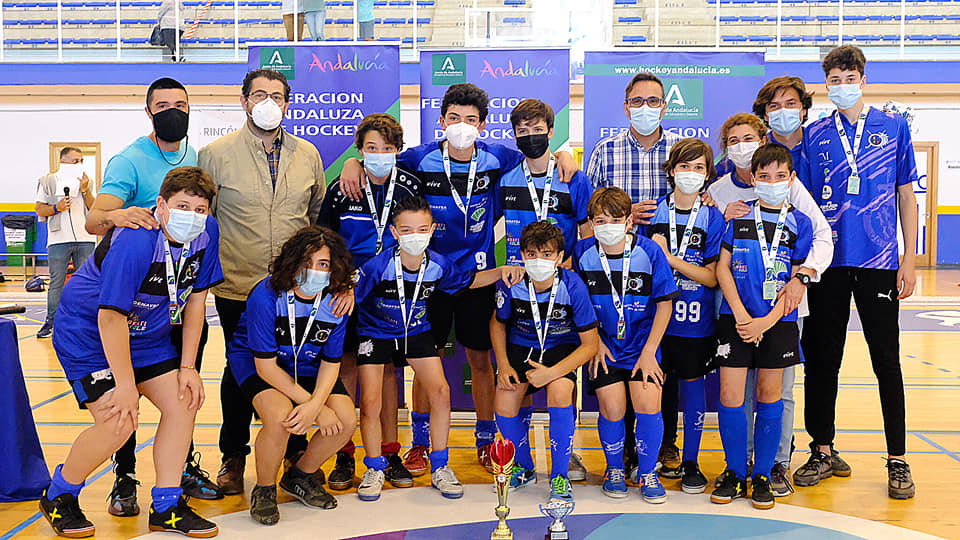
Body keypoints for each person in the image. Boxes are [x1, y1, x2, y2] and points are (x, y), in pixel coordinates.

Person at [337, 83, 579, 475]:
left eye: (470, 120)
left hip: (478, 277)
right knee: (424, 361)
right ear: (441, 121)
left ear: (482, 125)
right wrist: (353, 163)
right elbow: (380, 158)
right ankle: (419, 444)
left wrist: (565, 154)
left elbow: (539, 155)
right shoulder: (420, 158)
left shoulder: (498, 158)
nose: (461, 126)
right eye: (454, 119)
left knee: (480, 361)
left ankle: (486, 440)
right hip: (423, 276)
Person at [42, 167, 221, 538]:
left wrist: (187, 366)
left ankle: (167, 506)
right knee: (119, 422)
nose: (193, 215)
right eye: (182, 206)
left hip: (148, 337)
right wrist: (126, 385)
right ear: (161, 205)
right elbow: (110, 318)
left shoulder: (208, 234)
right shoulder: (138, 240)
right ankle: (59, 494)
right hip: (89, 335)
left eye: (200, 209)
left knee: (185, 400)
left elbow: (196, 302)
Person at [84, 77, 221, 514]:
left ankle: (178, 471)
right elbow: (94, 218)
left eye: (180, 104)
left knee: (184, 390)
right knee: (127, 397)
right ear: (149, 111)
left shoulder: (193, 156)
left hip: (178, 296)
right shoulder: (130, 160)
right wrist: (121, 215)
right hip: (135, 294)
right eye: (163, 104)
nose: (172, 110)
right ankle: (124, 478)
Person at [196, 68, 334, 497]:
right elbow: (207, 219)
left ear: (288, 103)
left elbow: (315, 215)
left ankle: (293, 454)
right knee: (239, 371)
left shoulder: (308, 154)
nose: (268, 101)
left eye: (277, 95)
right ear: (244, 101)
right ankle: (233, 455)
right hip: (238, 283)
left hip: (295, 290)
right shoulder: (215, 154)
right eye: (259, 94)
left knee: (291, 366)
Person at [796, 45, 918, 500]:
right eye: (833, 78)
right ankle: (822, 449)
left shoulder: (894, 127)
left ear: (863, 79)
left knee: (886, 360)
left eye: (849, 77)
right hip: (828, 261)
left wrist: (908, 257)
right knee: (824, 360)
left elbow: (907, 195)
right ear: (825, 83)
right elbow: (802, 202)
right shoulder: (814, 134)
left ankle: (898, 458)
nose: (841, 85)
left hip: (880, 261)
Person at [353, 196, 522, 501]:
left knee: (441, 392)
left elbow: (468, 281)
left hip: (415, 330)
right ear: (394, 232)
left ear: (432, 229)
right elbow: (352, 297)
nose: (414, 236)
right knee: (371, 400)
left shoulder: (438, 264)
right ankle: (374, 466)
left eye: (421, 229)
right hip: (375, 332)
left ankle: (440, 465)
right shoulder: (377, 266)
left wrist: (501, 271)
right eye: (406, 230)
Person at [706, 112, 833, 497]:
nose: (773, 183)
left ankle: (763, 472)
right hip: (735, 318)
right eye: (765, 177)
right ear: (754, 179)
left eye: (781, 177)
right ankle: (733, 471)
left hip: (778, 321)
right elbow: (722, 270)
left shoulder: (801, 223)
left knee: (770, 395)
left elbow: (796, 280)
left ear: (792, 179)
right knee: (731, 396)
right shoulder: (737, 217)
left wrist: (766, 321)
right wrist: (743, 315)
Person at [586, 72, 682, 478]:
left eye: (654, 100)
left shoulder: (678, 151)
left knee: (662, 364)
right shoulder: (604, 152)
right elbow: (589, 211)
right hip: (609, 269)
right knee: (616, 371)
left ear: (664, 105)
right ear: (626, 107)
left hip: (665, 266)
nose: (646, 107)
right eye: (637, 101)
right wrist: (622, 221)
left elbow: (696, 193)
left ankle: (663, 447)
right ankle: (623, 454)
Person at [318, 113, 420, 492]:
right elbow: (324, 239)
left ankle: (389, 452)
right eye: (371, 149)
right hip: (345, 292)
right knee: (343, 368)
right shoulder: (341, 188)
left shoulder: (410, 187)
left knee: (389, 375)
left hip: (391, 296)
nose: (380, 155)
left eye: (388, 149)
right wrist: (337, 283)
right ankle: (343, 453)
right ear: (360, 152)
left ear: (397, 151)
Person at [226, 226, 355, 525]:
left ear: (334, 268)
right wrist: (315, 408)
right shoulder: (266, 295)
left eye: (322, 264)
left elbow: (331, 363)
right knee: (281, 416)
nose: (314, 271)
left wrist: (315, 405)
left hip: (309, 365)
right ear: (292, 262)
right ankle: (265, 488)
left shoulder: (337, 301)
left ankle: (300, 476)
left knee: (346, 420)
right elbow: (266, 367)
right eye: (306, 262)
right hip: (259, 364)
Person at [571, 186, 678, 503]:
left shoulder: (649, 252)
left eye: (616, 219)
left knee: (648, 404)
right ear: (591, 223)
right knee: (612, 406)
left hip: (643, 347)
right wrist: (594, 342)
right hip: (604, 347)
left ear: (629, 221)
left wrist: (648, 353)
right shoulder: (582, 253)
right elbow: (578, 303)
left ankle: (647, 472)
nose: (609, 226)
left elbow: (664, 305)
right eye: (601, 220)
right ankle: (614, 469)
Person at [492, 221, 599, 502]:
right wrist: (503, 364)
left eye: (547, 254)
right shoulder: (512, 284)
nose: (539, 261)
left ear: (560, 257)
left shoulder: (573, 285)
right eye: (531, 254)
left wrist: (551, 373)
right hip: (521, 347)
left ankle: (560, 476)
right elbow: (497, 323)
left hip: (559, 349)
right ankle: (523, 467)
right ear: (522, 255)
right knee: (505, 395)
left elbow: (590, 345)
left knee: (561, 391)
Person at [647, 138, 724, 495]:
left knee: (693, 390)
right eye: (683, 167)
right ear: (671, 171)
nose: (690, 174)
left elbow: (711, 276)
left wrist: (672, 260)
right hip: (655, 323)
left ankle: (692, 461)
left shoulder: (713, 216)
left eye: (698, 168)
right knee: (656, 390)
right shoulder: (652, 214)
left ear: (708, 174)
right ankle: (655, 458)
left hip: (696, 322)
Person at [501, 98, 593, 266]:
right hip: (518, 277)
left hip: (562, 274)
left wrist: (570, 265)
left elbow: (589, 233)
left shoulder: (575, 179)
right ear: (514, 135)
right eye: (522, 131)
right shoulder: (505, 179)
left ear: (550, 132)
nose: (530, 136)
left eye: (537, 129)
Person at [34, 147, 97, 339]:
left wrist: (86, 191)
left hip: (85, 238)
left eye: (81, 160)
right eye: (75, 160)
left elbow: (93, 208)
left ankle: (84, 322)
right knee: (57, 283)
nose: (79, 164)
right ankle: (51, 322)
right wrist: (56, 207)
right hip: (58, 239)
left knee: (86, 283)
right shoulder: (47, 181)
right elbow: (39, 209)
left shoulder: (87, 181)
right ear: (64, 162)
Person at [715, 76, 813, 179]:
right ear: (765, 115)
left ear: (804, 109)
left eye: (791, 104)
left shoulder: (817, 142)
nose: (783, 110)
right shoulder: (753, 146)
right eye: (774, 106)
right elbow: (713, 183)